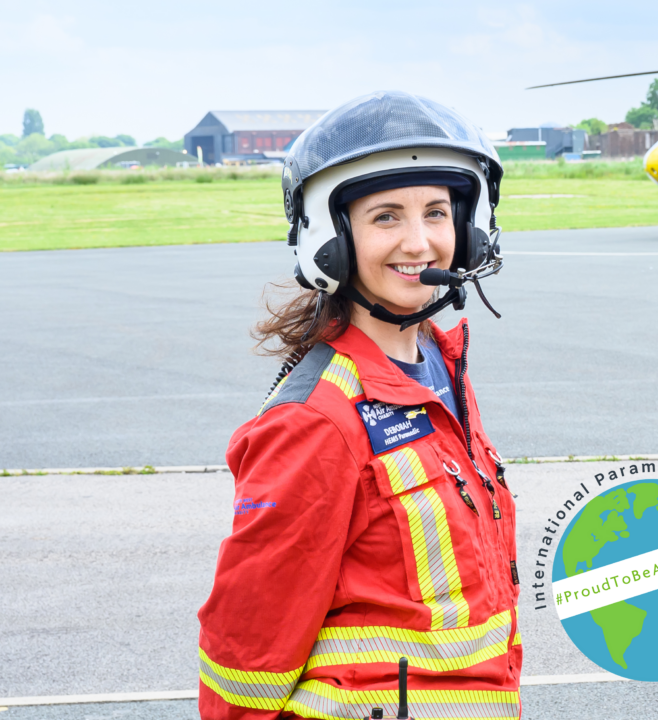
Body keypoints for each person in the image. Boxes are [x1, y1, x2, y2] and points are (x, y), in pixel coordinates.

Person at [198, 91, 521, 720]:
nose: (421, 241)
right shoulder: (315, 420)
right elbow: (246, 651)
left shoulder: (438, 368)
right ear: (331, 237)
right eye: (386, 217)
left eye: (436, 211)